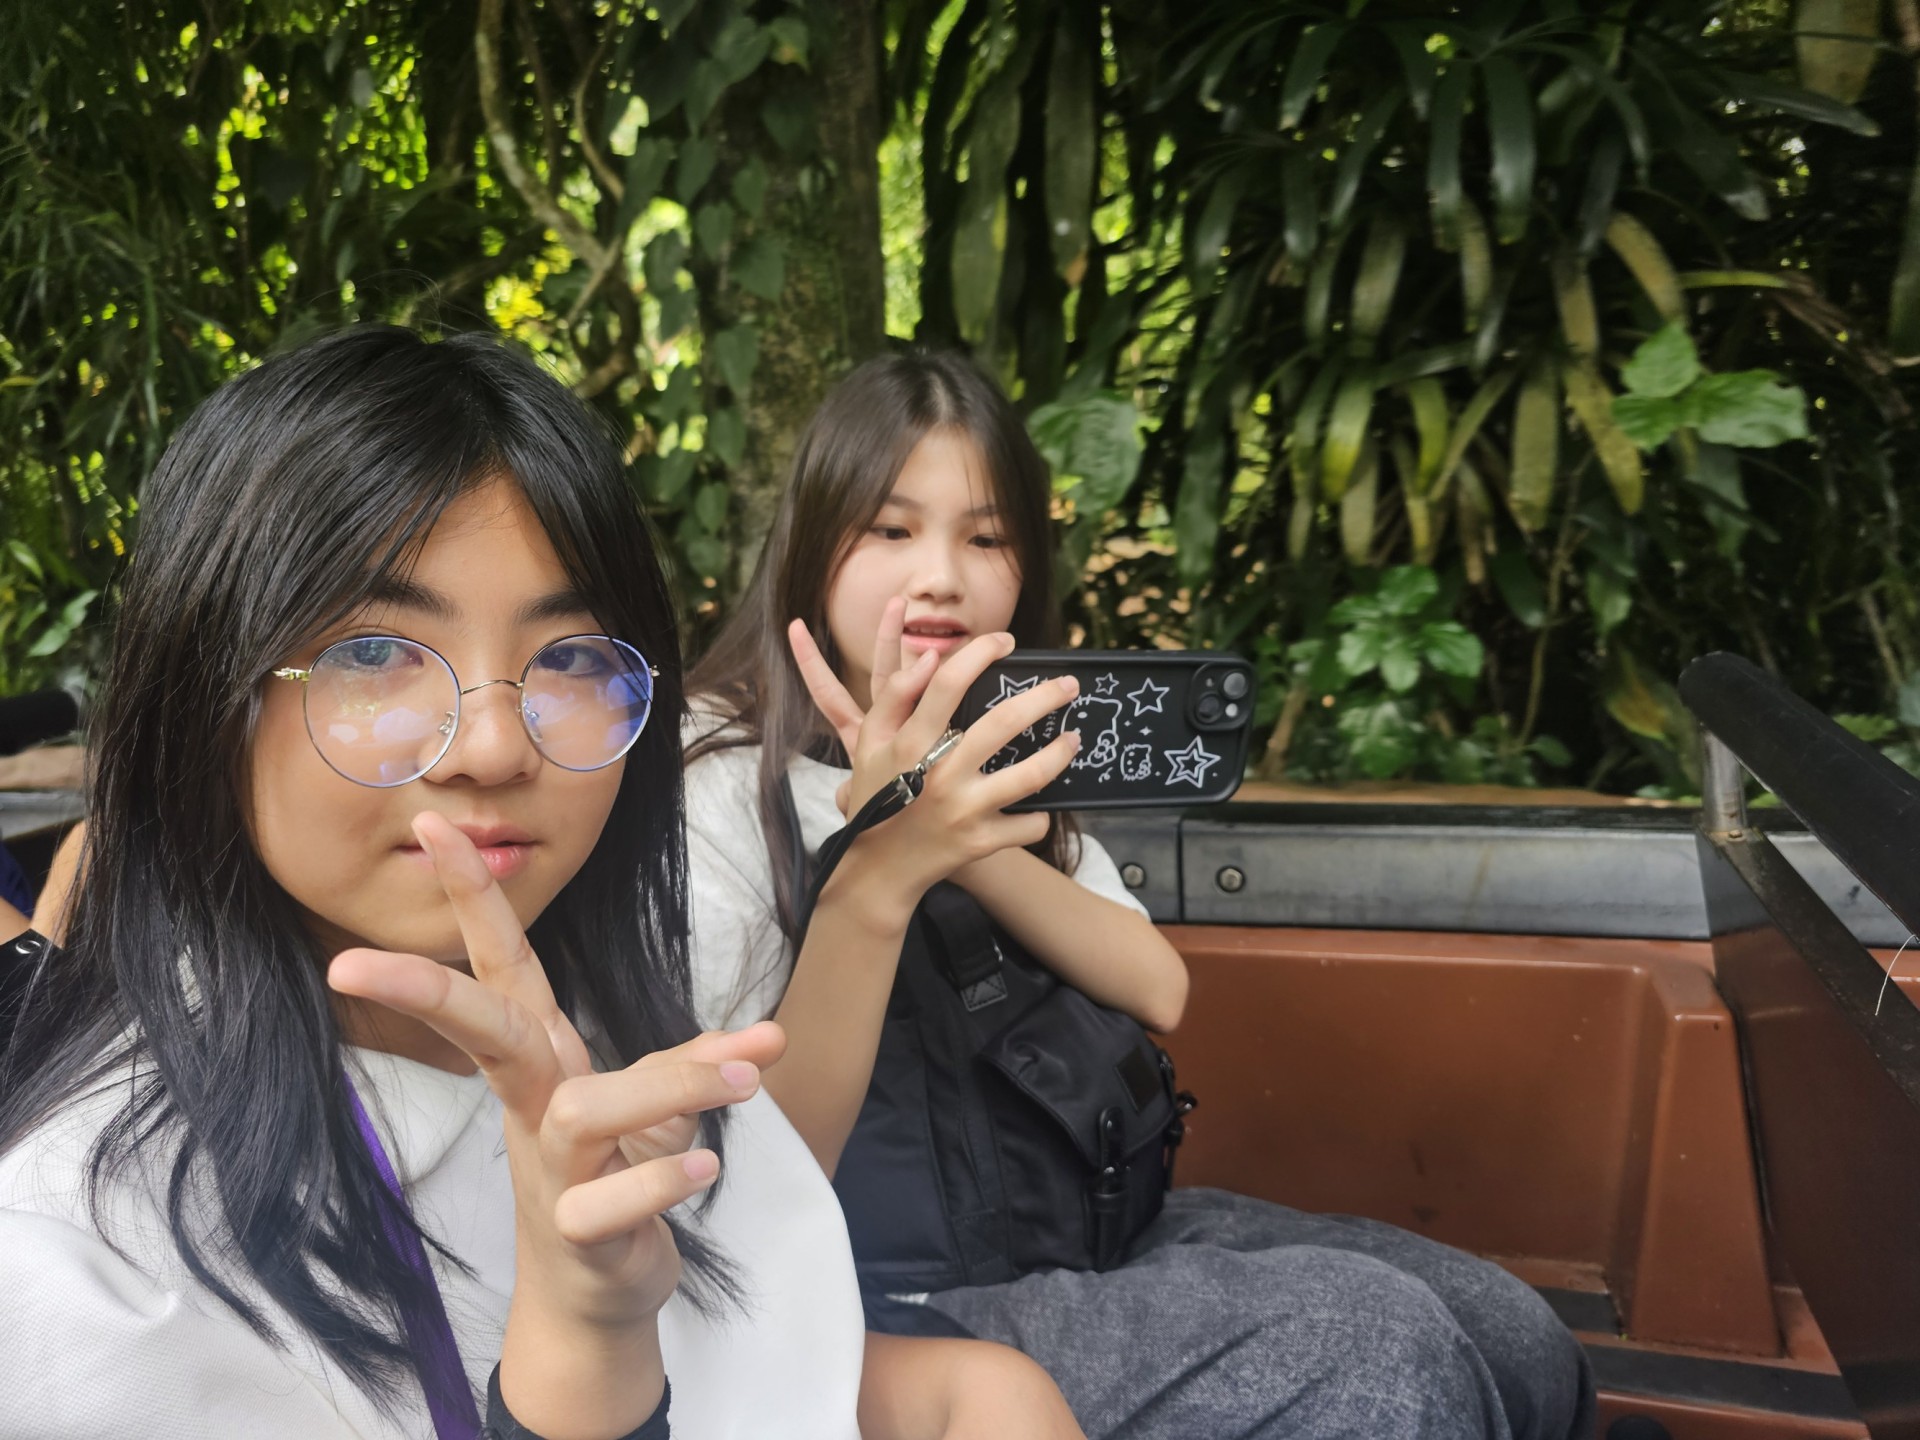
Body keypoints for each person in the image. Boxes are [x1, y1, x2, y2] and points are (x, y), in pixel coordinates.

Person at [0, 327, 1078, 1440]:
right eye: (373, 654)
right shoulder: (90, 1279)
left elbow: (775, 1344)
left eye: (568, 657)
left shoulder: (605, 1021)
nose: (495, 745)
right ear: (202, 693)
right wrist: (582, 1344)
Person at [681, 349, 1599, 1440]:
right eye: (890, 529)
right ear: (808, 546)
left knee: (1515, 1332)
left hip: (1084, 1231)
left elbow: (1157, 987)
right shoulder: (717, 780)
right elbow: (743, 1186)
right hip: (878, 1294)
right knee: (1381, 1352)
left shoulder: (1010, 749)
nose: (941, 576)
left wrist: (945, 827)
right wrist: (885, 851)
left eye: (986, 538)